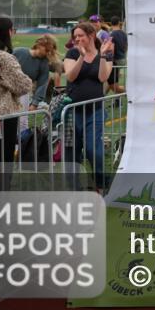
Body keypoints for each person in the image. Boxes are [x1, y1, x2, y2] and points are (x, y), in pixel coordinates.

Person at [0, 16, 33, 191]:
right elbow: (24, 85)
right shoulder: (4, 57)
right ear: (8, 32)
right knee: (2, 162)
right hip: (4, 116)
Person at [64, 22, 114, 191]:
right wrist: (81, 57)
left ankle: (99, 183)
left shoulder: (105, 54)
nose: (77, 39)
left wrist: (101, 55)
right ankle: (74, 187)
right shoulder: (72, 52)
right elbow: (70, 76)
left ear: (91, 35)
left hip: (95, 111)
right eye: (75, 36)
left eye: (80, 35)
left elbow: (102, 77)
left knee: (94, 149)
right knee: (72, 152)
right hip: (72, 112)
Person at [107, 17, 128, 95]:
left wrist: (110, 61)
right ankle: (114, 98)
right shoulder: (124, 33)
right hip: (123, 59)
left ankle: (126, 93)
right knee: (114, 82)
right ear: (119, 23)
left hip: (115, 61)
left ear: (111, 23)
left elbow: (111, 50)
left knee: (112, 82)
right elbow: (126, 46)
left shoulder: (111, 34)